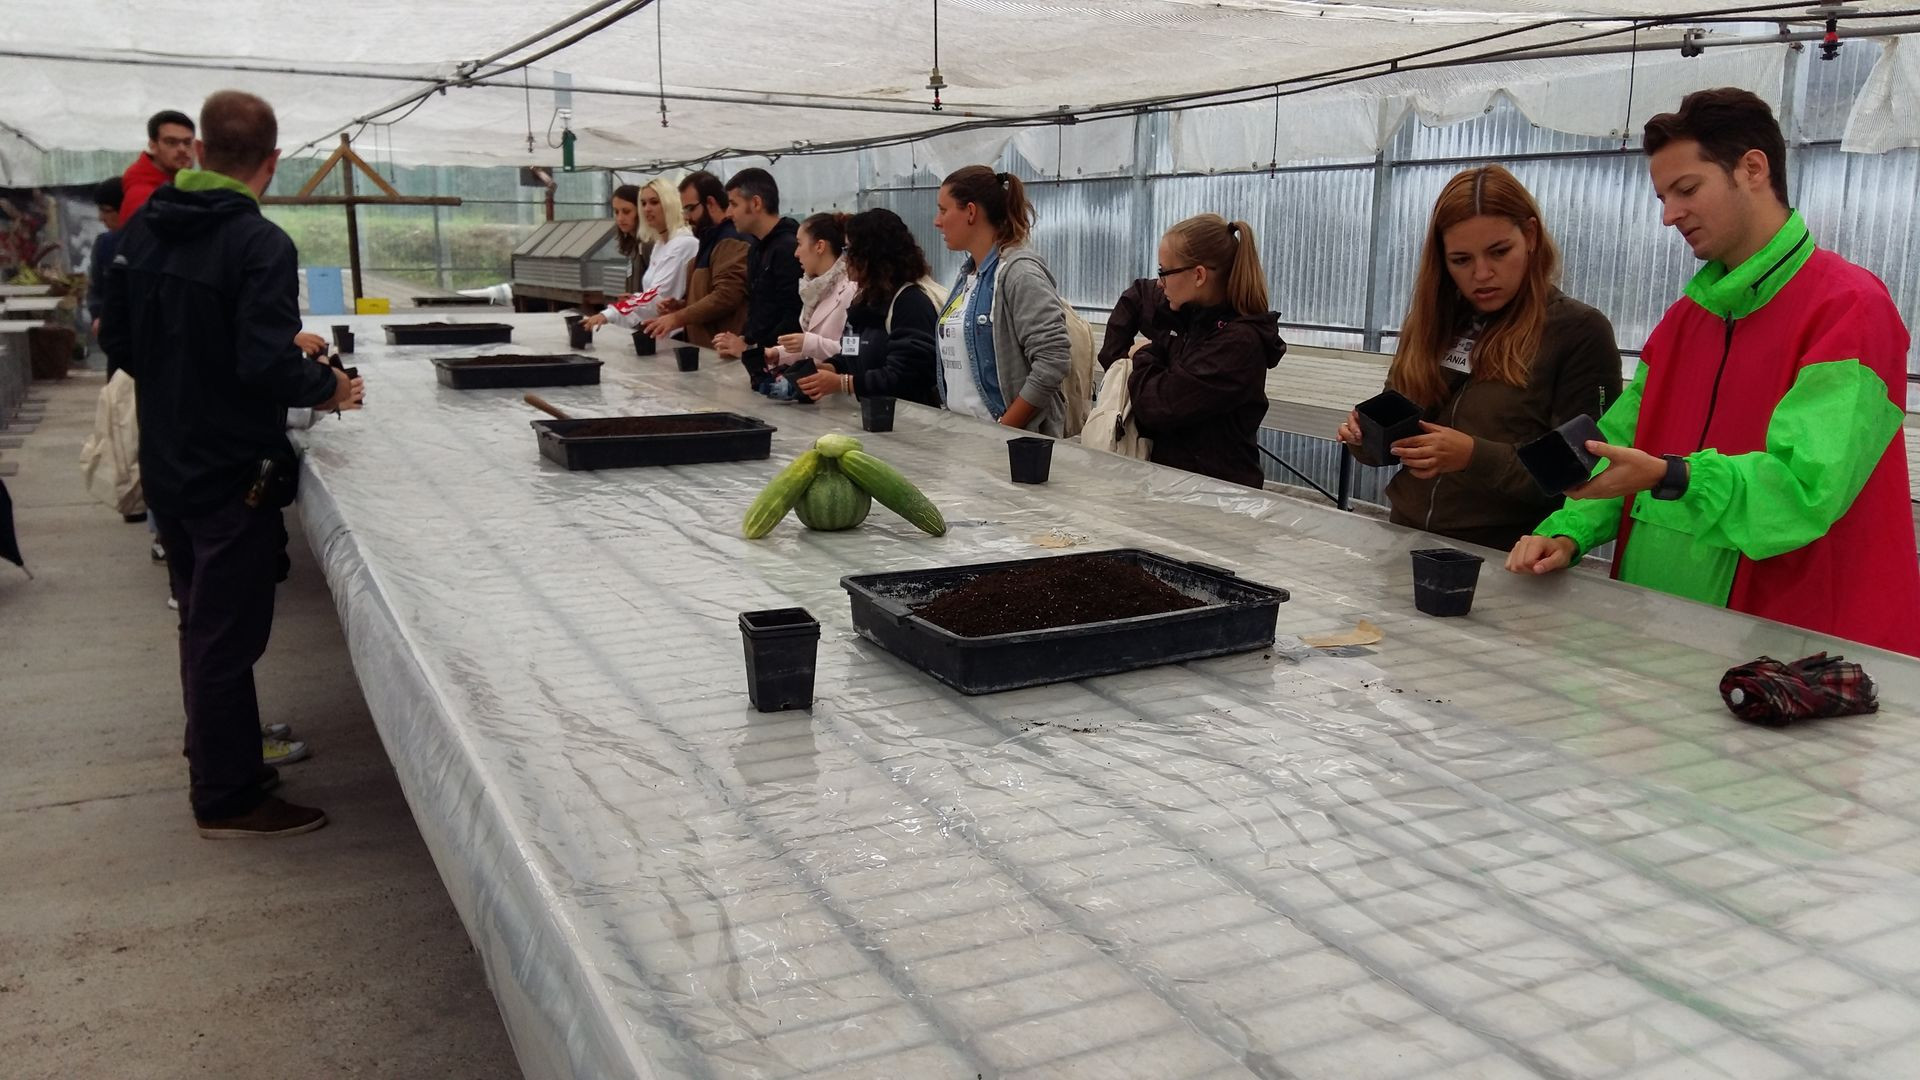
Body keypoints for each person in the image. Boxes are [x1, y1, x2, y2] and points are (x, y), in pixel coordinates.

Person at [1506, 88, 1920, 656]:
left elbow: (1804, 491)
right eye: (1662, 196)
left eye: (1687, 189)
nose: (1669, 214)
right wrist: (1568, 530)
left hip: (1792, 650)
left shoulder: (1850, 309)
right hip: (1661, 627)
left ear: (1752, 169)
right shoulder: (1685, 321)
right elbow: (1620, 446)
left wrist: (1673, 476)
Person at [101, 90, 365, 838]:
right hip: (229, 474)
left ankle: (214, 752)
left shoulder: (145, 228)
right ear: (271, 164)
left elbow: (121, 343)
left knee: (202, 622)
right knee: (226, 635)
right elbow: (262, 365)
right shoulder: (259, 245)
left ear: (198, 152)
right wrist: (328, 385)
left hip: (170, 462)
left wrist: (199, 367)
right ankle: (227, 796)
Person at [1336, 165, 1622, 551]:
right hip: (1404, 538)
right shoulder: (1434, 323)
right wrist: (1364, 436)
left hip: (1504, 554)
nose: (1482, 274)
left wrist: (1472, 456)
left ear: (1531, 236)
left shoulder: (1578, 331)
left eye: (1499, 252)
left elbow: (1581, 475)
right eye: (1461, 260)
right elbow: (1394, 436)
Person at [1123, 215, 1286, 488]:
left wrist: (1144, 354)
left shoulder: (1237, 344)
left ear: (1198, 275)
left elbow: (1157, 406)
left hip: (1217, 496)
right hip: (1185, 486)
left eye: (1164, 271)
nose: (1159, 283)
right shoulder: (1196, 323)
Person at [932, 165, 1072, 434]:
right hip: (966, 438)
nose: (937, 221)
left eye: (943, 209)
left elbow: (1053, 359)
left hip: (1005, 448)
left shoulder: (1019, 273)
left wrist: (1003, 431)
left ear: (970, 212)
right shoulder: (969, 275)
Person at [796, 208, 944, 407]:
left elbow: (907, 375)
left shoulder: (910, 303)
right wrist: (828, 368)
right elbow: (852, 355)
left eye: (849, 250)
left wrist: (844, 383)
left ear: (870, 254)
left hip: (909, 425)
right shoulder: (865, 301)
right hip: (875, 418)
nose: (845, 258)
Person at [711, 168, 803, 377]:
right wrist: (745, 338)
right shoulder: (756, 248)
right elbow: (759, 308)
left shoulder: (788, 249)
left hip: (782, 367)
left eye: (734, 204)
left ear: (755, 203)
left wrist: (753, 350)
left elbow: (794, 316)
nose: (728, 213)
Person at [642, 170, 748, 347]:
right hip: (707, 350)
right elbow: (708, 293)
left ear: (711, 203)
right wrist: (683, 305)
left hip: (722, 355)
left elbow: (726, 296)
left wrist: (677, 318)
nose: (687, 217)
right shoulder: (708, 241)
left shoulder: (730, 240)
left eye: (691, 208)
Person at [759, 212, 856, 401]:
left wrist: (808, 343)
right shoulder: (813, 288)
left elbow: (853, 352)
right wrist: (777, 354)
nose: (796, 253)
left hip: (843, 397)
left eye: (800, 243)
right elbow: (809, 346)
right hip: (820, 395)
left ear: (819, 246)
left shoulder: (851, 289)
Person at [584, 178, 696, 334]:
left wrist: (609, 314)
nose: (647, 209)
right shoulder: (659, 244)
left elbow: (656, 296)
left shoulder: (682, 244)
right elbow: (649, 298)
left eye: (654, 202)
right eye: (643, 204)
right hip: (658, 331)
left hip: (678, 335)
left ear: (670, 204)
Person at [121, 109, 196, 222]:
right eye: (171, 142)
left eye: (187, 142)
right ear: (153, 146)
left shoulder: (183, 185)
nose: (182, 149)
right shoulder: (142, 198)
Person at [1099, 277, 1174, 369]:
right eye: (1161, 270)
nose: (1160, 283)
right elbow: (1110, 355)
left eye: (1167, 271)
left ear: (1197, 275)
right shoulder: (1143, 293)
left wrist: (1142, 353)